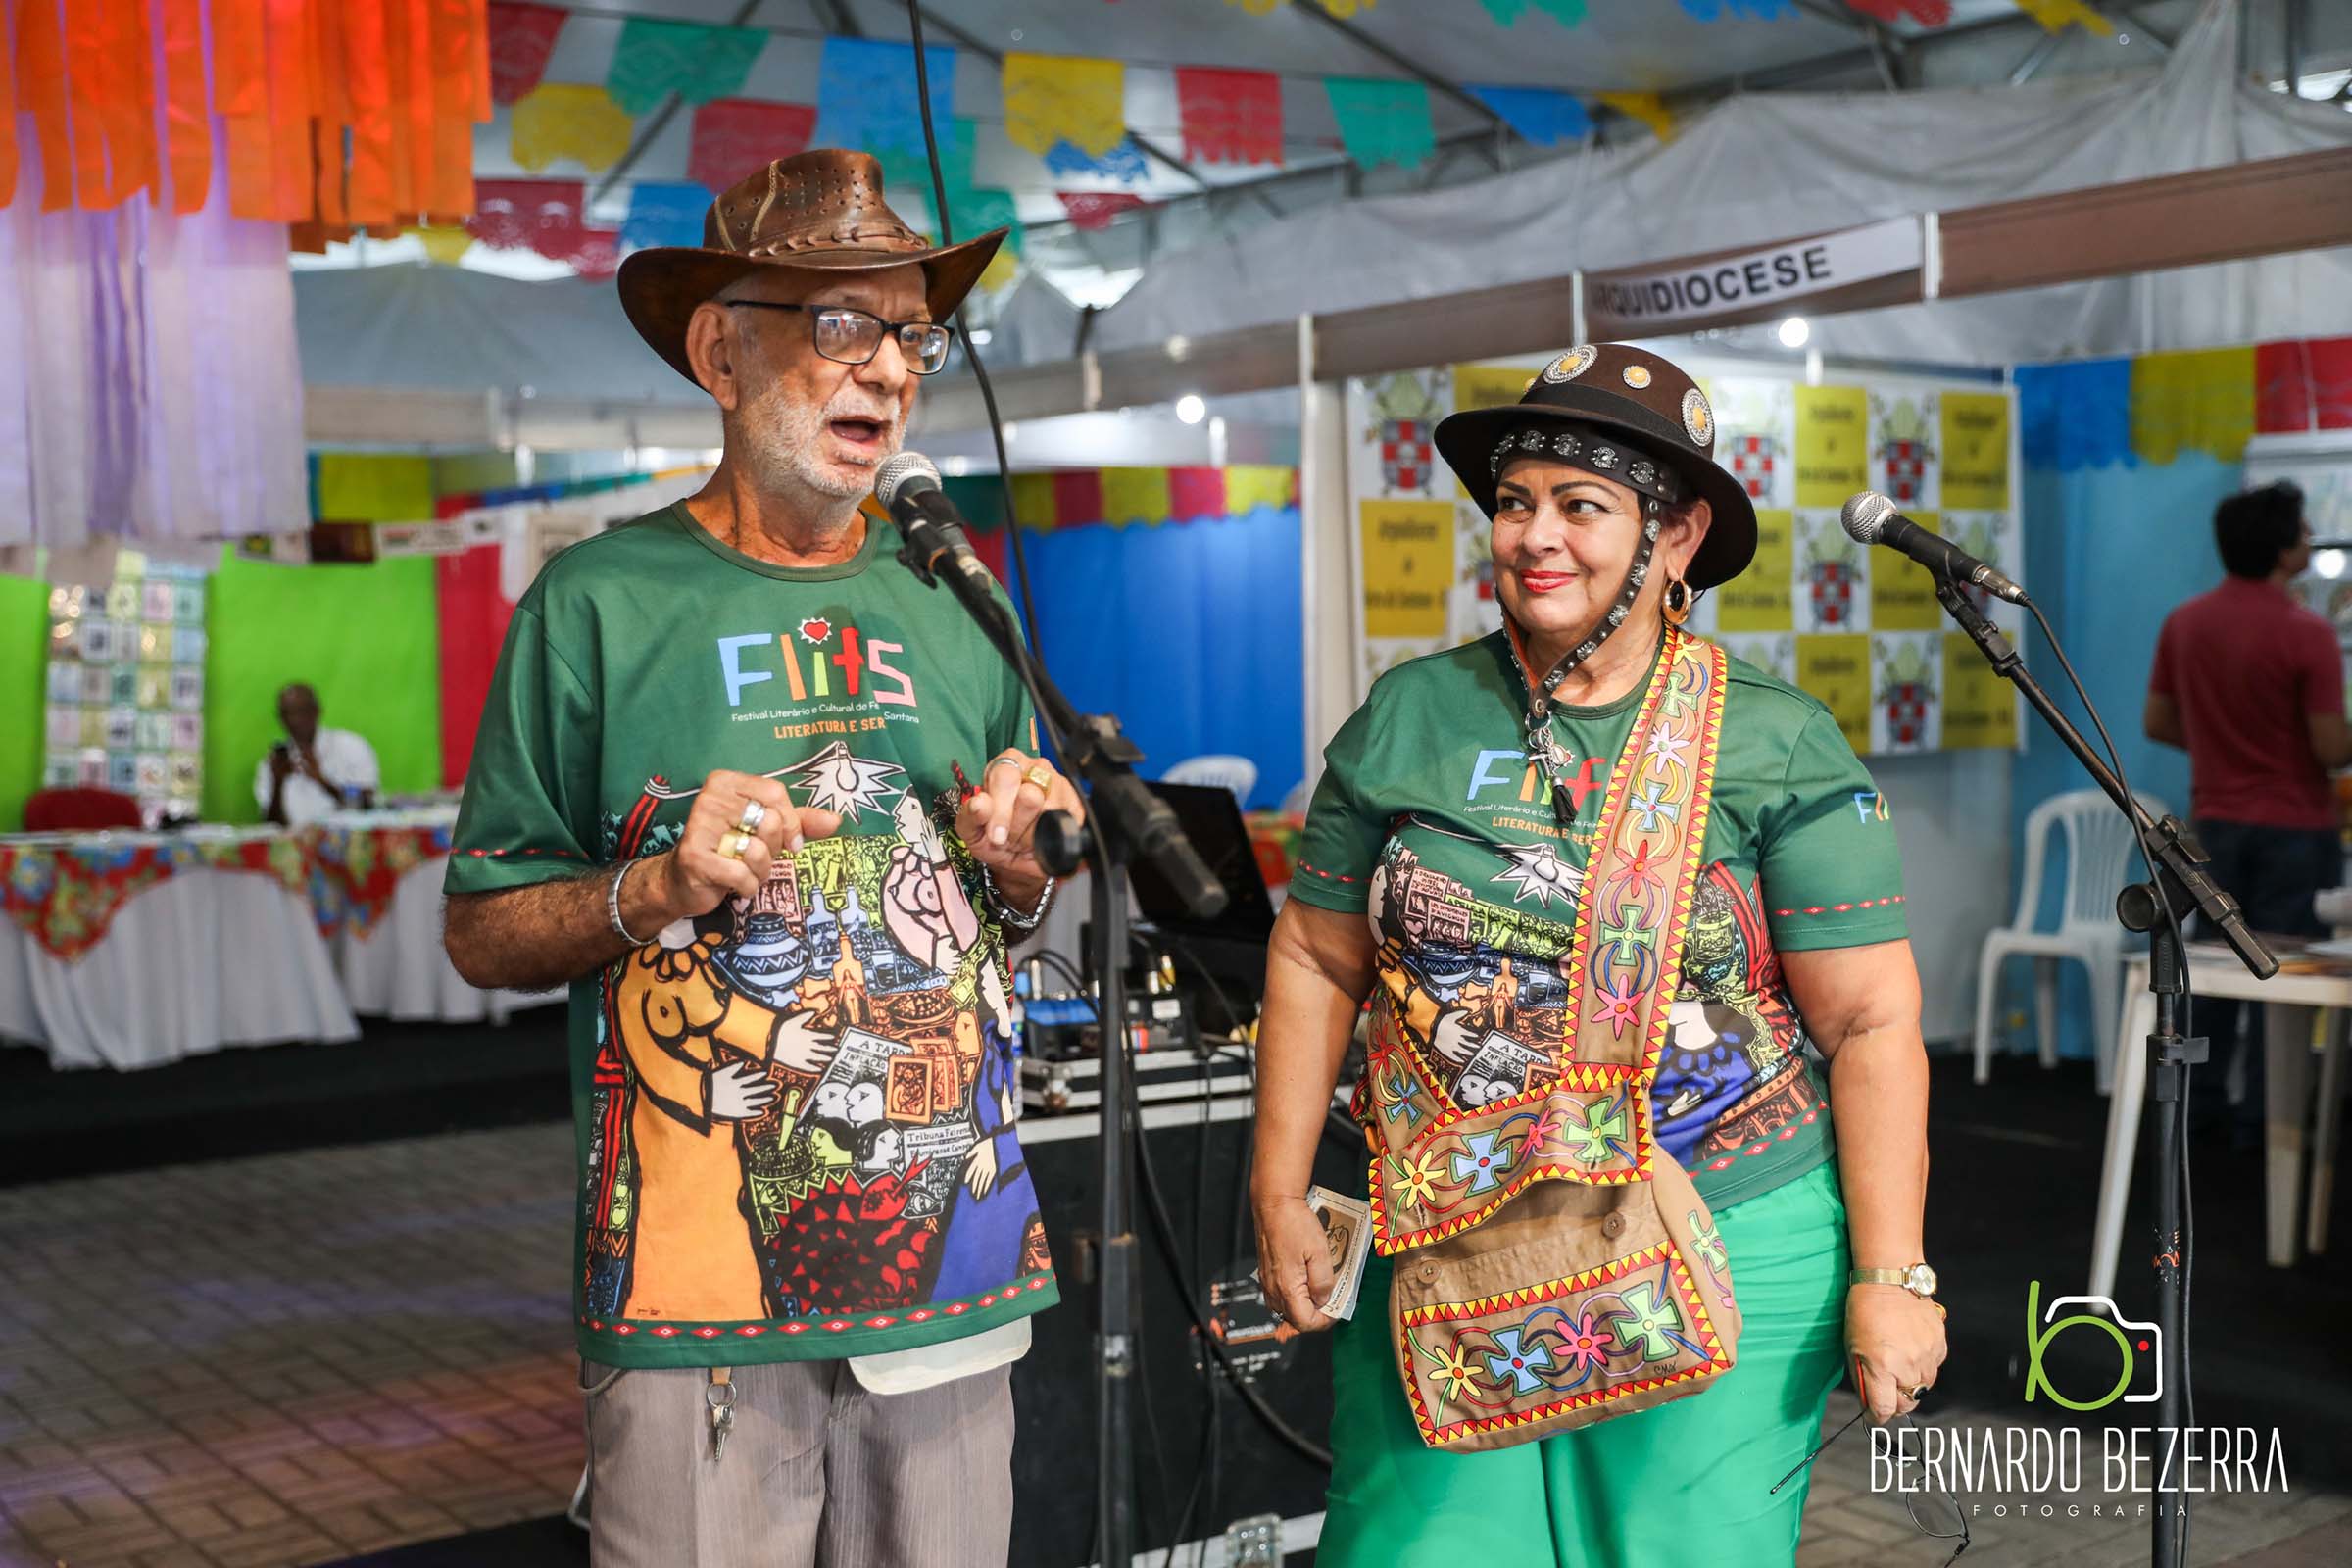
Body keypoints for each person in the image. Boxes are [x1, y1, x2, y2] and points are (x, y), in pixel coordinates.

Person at [440, 151, 1084, 1568]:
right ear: (720, 353)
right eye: (841, 325)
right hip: (697, 1289)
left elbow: (993, 915)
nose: (892, 371)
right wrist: (655, 887)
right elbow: (483, 926)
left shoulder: (951, 592)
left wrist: (1022, 869)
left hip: (948, 1273)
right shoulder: (599, 603)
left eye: (912, 332)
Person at [1251, 345, 1945, 1567]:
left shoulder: (1774, 741)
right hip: (1443, 1236)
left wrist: (1895, 1273)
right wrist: (1277, 1185)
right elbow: (1315, 955)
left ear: (1673, 537)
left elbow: (1872, 1022)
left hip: (1715, 1228)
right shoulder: (1409, 716)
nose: (1535, 537)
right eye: (1515, 503)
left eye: (1583, 506)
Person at [2146, 480, 2349, 1145]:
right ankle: (2269, 1119)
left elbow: (2159, 721)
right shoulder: (2306, 631)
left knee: (2208, 968)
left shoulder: (2186, 621)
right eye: (2303, 529)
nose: (2312, 539)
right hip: (2297, 826)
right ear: (2283, 545)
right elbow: (2328, 747)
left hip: (2215, 824)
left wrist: (2224, 747)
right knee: (2280, 975)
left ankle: (2197, 1114)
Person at [255, 682, 377, 824]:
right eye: (288, 713)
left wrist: (322, 781)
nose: (295, 720)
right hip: (296, 844)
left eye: (302, 711)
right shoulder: (272, 764)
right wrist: (278, 783)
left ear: (317, 710)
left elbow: (369, 805)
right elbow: (272, 826)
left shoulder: (351, 746)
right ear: (281, 719)